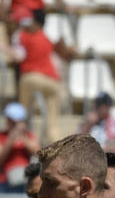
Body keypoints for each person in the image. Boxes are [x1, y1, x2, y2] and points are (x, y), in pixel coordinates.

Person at [9, 12, 72, 145]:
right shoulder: (45, 37)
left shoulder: (22, 35)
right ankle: (57, 148)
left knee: (22, 115)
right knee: (53, 125)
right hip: (52, 81)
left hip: (32, 77)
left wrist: (2, 47)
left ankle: (22, 140)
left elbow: (18, 56)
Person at [0, 102, 40, 192]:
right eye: (10, 121)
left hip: (25, 181)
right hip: (5, 183)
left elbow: (38, 153)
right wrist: (11, 139)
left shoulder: (28, 136)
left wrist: (23, 137)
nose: (12, 124)